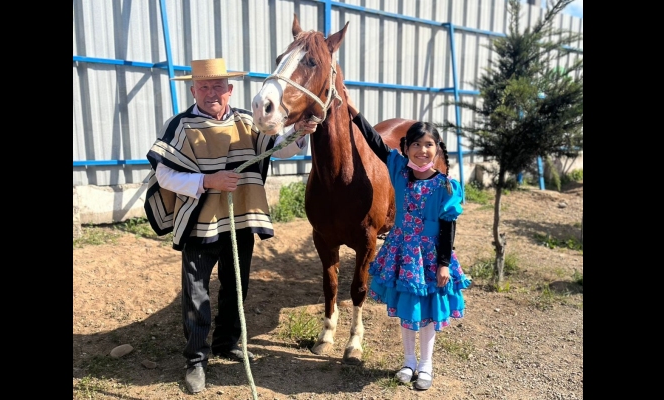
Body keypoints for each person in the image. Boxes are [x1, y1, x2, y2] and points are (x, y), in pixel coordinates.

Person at [143, 58, 317, 394]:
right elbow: (164, 174)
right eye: (204, 87)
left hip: (240, 221)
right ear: (193, 90)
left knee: (236, 285)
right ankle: (196, 361)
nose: (211, 93)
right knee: (196, 294)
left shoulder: (248, 122)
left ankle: (227, 342)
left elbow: (278, 151)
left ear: (230, 90)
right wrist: (209, 181)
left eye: (217, 86)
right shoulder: (181, 126)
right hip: (199, 225)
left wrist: (298, 133)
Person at [343, 88, 471, 391]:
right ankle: (408, 360)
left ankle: (426, 365)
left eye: (429, 145)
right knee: (407, 310)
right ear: (406, 148)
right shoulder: (399, 170)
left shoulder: (446, 186)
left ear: (437, 149)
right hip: (403, 251)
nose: (422, 151)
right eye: (416, 145)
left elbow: (446, 228)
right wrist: (353, 112)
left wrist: (443, 264)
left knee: (427, 313)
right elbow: (374, 142)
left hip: (429, 255)